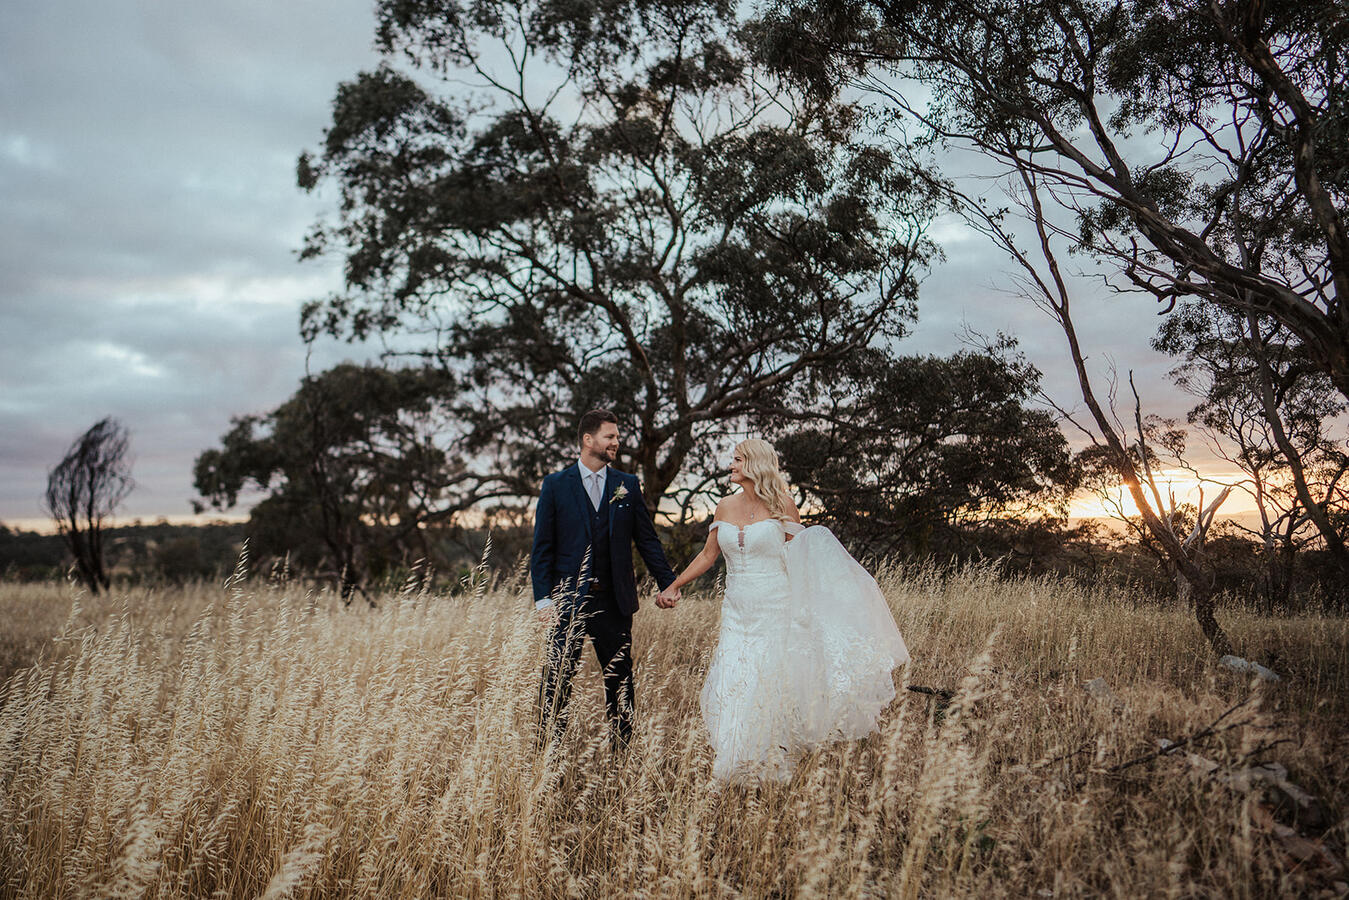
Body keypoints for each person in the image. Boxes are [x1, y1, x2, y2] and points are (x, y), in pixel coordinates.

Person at [658, 438, 910, 782]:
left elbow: (801, 559)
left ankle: (768, 765)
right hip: (736, 612)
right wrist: (675, 585)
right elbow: (708, 556)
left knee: (767, 685)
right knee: (733, 681)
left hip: (775, 610)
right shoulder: (724, 506)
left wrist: (811, 611)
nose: (730, 465)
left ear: (755, 464)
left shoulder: (784, 505)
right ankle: (732, 762)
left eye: (736, 460)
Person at [531, 409, 680, 751]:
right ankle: (546, 760)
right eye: (610, 436)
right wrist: (543, 600)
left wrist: (667, 583)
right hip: (567, 603)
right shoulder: (555, 485)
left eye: (616, 436)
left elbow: (647, 540)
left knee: (620, 682)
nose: (617, 441)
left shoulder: (626, 485)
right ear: (588, 440)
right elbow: (542, 549)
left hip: (614, 602)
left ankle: (621, 761)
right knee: (556, 683)